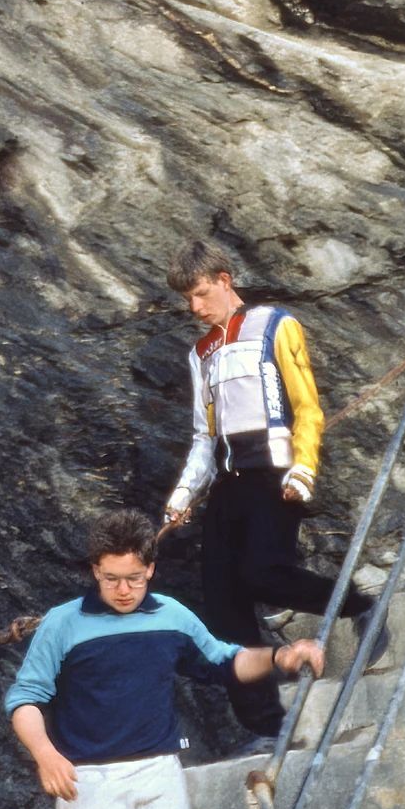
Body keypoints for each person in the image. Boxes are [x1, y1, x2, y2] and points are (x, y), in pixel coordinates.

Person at [4, 510, 323, 809]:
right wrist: (45, 754)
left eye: (134, 577)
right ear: (95, 571)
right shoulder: (61, 624)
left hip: (158, 771)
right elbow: (25, 698)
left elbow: (224, 660)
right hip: (89, 779)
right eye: (111, 578)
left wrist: (280, 657)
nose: (123, 589)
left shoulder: (172, 615)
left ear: (150, 568)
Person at [158, 242, 342, 741]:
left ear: (224, 279)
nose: (195, 307)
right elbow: (203, 436)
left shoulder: (275, 324)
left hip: (275, 476)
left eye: (201, 293)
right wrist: (181, 496)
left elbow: (307, 407)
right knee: (220, 605)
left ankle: (357, 605)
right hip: (227, 482)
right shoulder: (200, 352)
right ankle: (264, 725)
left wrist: (303, 469)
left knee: (261, 574)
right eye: (188, 299)